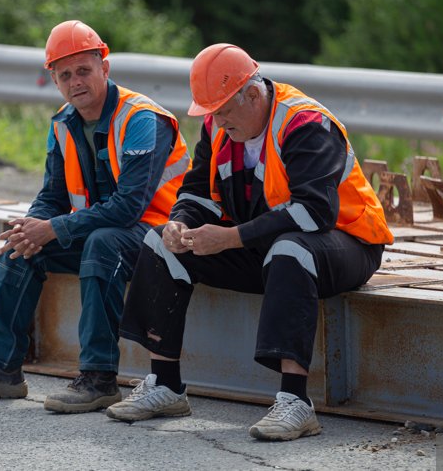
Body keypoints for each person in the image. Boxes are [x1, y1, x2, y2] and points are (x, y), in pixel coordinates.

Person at [105, 43, 393, 440]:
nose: (219, 122)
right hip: (265, 245)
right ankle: (165, 384)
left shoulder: (304, 123)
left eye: (224, 111)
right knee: (159, 243)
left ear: (253, 94)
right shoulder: (217, 125)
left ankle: (295, 402)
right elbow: (196, 192)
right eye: (212, 113)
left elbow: (315, 214)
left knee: (291, 248)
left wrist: (231, 238)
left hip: (348, 245)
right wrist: (179, 222)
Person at [0, 20, 190, 413]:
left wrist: (54, 228)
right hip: (103, 229)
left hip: (160, 235)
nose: (76, 82)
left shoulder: (142, 119)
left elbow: (128, 208)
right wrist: (31, 227)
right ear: (55, 81)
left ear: (104, 68)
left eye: (84, 71)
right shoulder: (63, 122)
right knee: (19, 248)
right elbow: (52, 195)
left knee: (101, 244)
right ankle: (2, 369)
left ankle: (99, 379)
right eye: (65, 75)